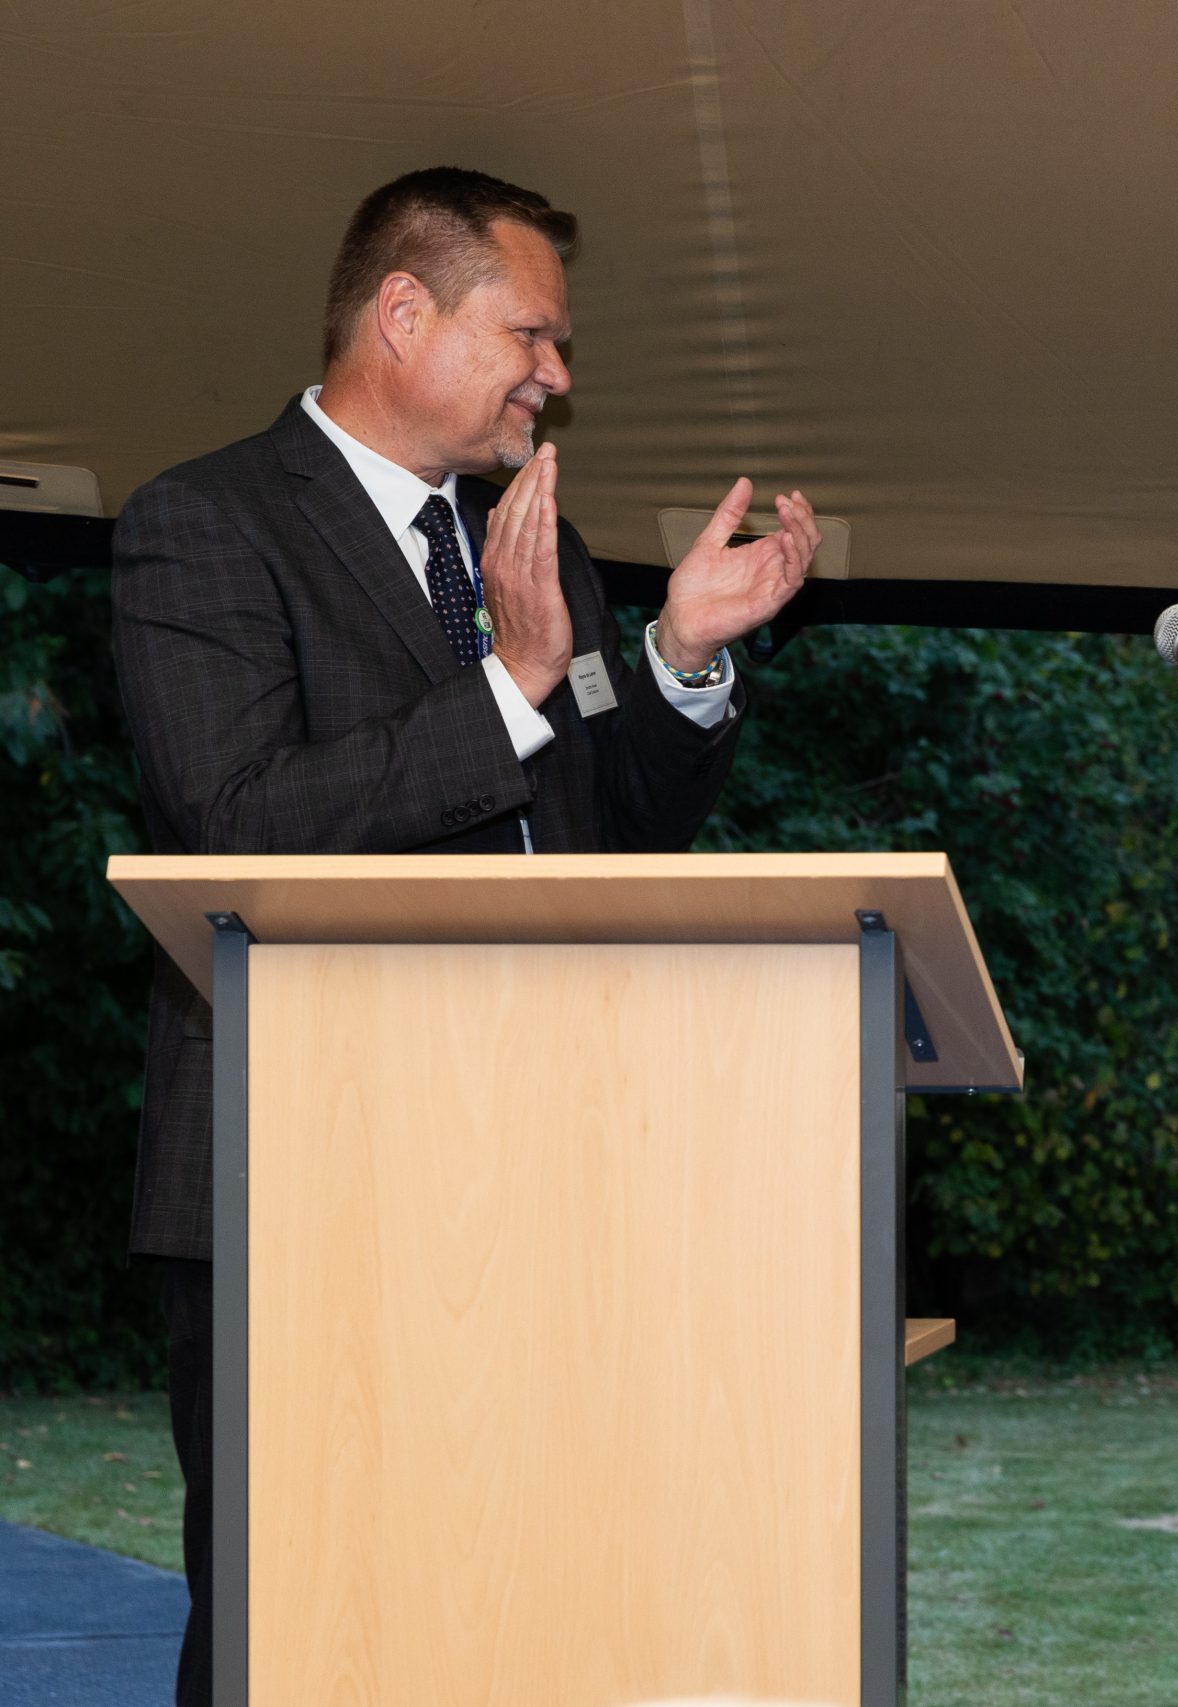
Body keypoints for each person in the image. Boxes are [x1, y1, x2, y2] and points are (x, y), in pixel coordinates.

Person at [109, 166, 819, 1707]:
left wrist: (682, 656)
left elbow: (604, 831)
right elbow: (236, 825)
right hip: (299, 1174)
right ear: (402, 313)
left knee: (513, 1615)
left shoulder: (537, 553)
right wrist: (506, 682)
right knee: (293, 1628)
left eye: (561, 348)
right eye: (534, 336)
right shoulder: (205, 526)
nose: (557, 378)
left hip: (541, 1169)